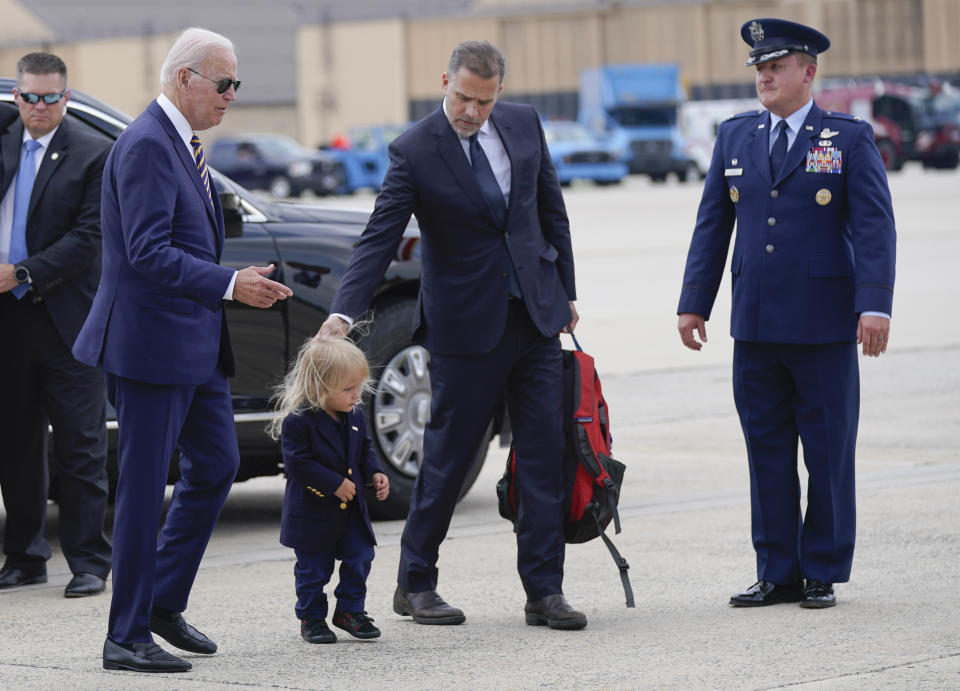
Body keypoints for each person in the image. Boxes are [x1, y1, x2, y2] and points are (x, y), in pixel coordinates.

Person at [318, 40, 585, 631]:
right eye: (463, 97)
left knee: (542, 455)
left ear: (499, 95)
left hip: (535, 317)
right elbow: (378, 239)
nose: (472, 112)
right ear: (445, 82)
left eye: (484, 102)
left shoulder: (523, 123)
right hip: (465, 327)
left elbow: (551, 209)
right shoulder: (415, 150)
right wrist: (343, 314)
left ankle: (545, 590)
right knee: (448, 455)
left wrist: (566, 291)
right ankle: (415, 582)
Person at [72, 28, 293, 673]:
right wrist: (230, 283)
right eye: (223, 83)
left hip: (193, 341)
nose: (231, 96)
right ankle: (125, 634)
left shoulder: (181, 145)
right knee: (143, 489)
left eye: (236, 85)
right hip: (150, 344)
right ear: (184, 79)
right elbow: (146, 252)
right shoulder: (144, 145)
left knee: (218, 465)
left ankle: (162, 602)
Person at [677, 18, 896, 609]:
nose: (764, 76)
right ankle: (777, 570)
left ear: (808, 70)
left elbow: (875, 226)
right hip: (754, 324)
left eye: (775, 66)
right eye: (758, 67)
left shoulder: (846, 137)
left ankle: (821, 567)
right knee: (766, 451)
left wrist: (874, 305)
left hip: (824, 324)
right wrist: (694, 302)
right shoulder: (736, 136)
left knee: (826, 452)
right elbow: (712, 226)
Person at [0, 52, 112, 598]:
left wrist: (20, 272)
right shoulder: (3, 140)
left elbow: (88, 240)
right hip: (8, 321)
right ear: (16, 96)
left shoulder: (93, 153)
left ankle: (89, 561)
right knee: (15, 443)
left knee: (80, 444)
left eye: (49, 97)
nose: (37, 107)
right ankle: (24, 556)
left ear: (66, 98)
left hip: (68, 321)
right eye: (28, 96)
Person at [269, 334, 390, 644]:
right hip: (313, 512)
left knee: (361, 556)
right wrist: (333, 483)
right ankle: (311, 617)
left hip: (350, 513)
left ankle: (350, 611)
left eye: (358, 387)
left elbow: (364, 450)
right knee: (313, 569)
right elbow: (298, 463)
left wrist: (375, 472)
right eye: (348, 389)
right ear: (318, 388)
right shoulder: (299, 421)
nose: (356, 395)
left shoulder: (355, 415)